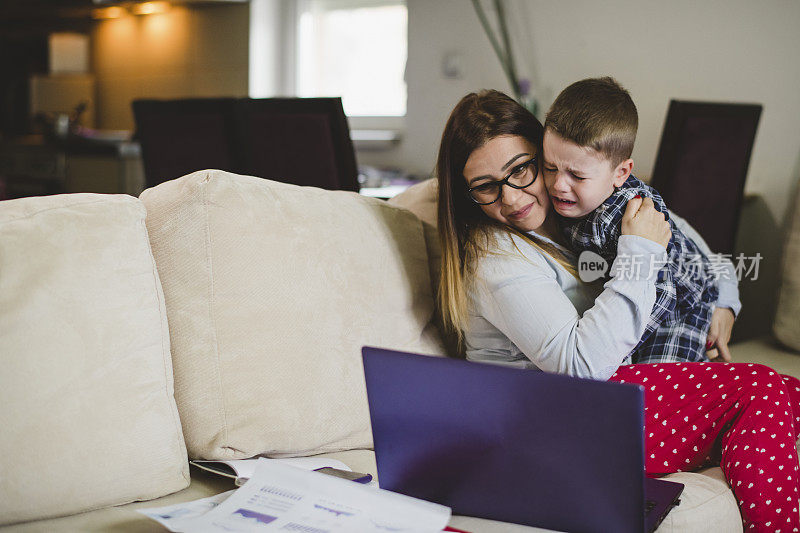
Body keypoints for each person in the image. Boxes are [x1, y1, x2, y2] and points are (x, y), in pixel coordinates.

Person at [435, 89, 800, 532]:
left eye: (522, 170)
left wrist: (725, 300)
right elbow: (579, 367)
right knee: (762, 389)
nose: (510, 199)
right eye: (486, 187)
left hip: (597, 402)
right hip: (551, 420)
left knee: (788, 391)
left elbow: (690, 243)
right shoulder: (496, 255)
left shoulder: (579, 205)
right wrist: (639, 252)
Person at [542, 77, 723, 364]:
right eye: (550, 167)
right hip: (637, 292)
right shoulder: (566, 198)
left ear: (621, 173)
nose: (558, 184)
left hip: (680, 305)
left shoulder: (625, 215)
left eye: (576, 176)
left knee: (654, 387)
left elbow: (661, 290)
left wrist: (620, 349)